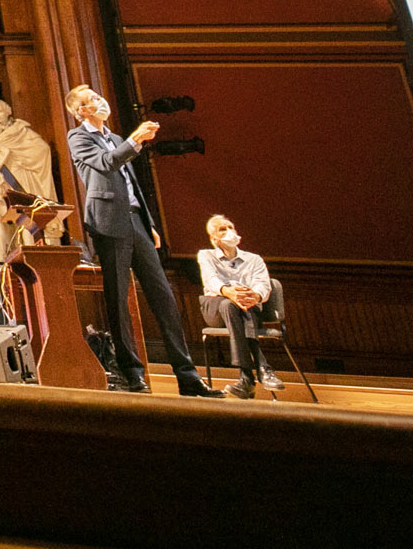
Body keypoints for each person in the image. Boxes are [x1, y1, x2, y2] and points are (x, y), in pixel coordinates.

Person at [65, 85, 220, 397]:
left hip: (136, 220)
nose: (100, 100)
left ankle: (187, 377)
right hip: (108, 223)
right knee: (119, 299)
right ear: (80, 110)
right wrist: (136, 139)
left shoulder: (118, 138)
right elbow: (107, 163)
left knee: (162, 295)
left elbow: (131, 183)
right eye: (92, 99)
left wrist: (149, 223)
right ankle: (132, 373)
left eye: (98, 96)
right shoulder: (78, 137)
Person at [197, 214, 279, 398]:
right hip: (215, 307)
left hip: (247, 307)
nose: (228, 232)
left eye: (230, 227)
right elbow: (211, 281)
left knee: (234, 306)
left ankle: (246, 378)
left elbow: (263, 284)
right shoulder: (206, 255)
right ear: (213, 238)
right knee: (228, 304)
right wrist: (230, 292)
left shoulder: (254, 259)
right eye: (222, 229)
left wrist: (255, 295)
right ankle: (262, 366)